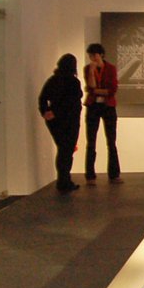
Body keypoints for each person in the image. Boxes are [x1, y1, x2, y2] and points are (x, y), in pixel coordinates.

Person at [38, 53, 82, 193]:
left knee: (63, 150)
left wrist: (46, 112)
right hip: (69, 121)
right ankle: (64, 181)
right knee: (66, 151)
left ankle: (63, 180)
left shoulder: (53, 80)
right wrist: (54, 112)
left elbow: (43, 97)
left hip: (55, 121)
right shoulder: (73, 82)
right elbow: (71, 102)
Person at [83, 42, 121, 183]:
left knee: (111, 140)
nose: (92, 58)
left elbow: (112, 89)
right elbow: (91, 87)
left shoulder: (110, 68)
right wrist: (92, 72)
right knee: (91, 141)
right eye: (90, 56)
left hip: (108, 106)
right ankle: (90, 175)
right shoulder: (88, 68)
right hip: (93, 106)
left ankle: (114, 174)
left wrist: (98, 91)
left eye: (94, 55)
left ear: (101, 55)